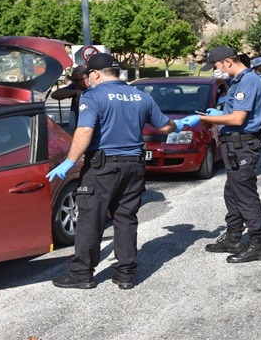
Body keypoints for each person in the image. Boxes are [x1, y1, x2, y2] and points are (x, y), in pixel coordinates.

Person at [46, 53, 183, 290]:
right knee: (125, 218)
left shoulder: (93, 96)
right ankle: (125, 274)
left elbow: (85, 131)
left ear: (96, 74)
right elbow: (164, 125)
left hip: (102, 167)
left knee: (90, 219)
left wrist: (70, 161)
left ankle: (82, 274)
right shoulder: (141, 96)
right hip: (135, 166)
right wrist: (179, 124)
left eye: (88, 75)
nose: (88, 79)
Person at [181, 45, 261, 264]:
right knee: (232, 192)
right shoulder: (239, 82)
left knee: (245, 194)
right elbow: (235, 114)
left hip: (243, 145)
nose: (216, 70)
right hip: (235, 145)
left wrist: (206, 119)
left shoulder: (248, 82)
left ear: (228, 62)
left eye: (217, 65)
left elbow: (238, 119)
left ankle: (258, 244)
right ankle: (233, 237)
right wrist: (219, 114)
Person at [51, 65, 89, 132]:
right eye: (73, 80)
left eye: (77, 80)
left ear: (87, 78)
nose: (75, 83)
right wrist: (75, 92)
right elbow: (55, 94)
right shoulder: (75, 86)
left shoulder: (95, 89)